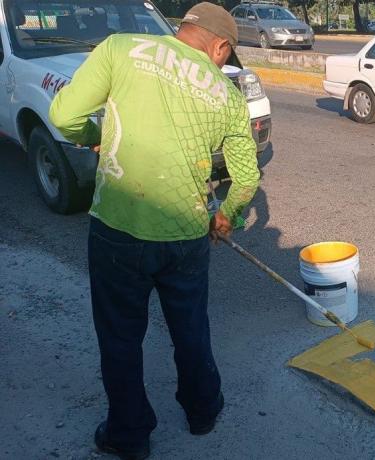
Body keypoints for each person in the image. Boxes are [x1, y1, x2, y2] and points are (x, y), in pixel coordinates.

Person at [48, 3, 259, 459]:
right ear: (220, 46)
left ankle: (129, 434)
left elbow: (64, 116)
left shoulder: (120, 48)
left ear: (184, 29)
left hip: (117, 230)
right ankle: (202, 411)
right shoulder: (228, 95)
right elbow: (246, 179)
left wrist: (91, 137)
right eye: (228, 54)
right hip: (185, 234)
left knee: (120, 338)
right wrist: (227, 217)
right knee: (190, 327)